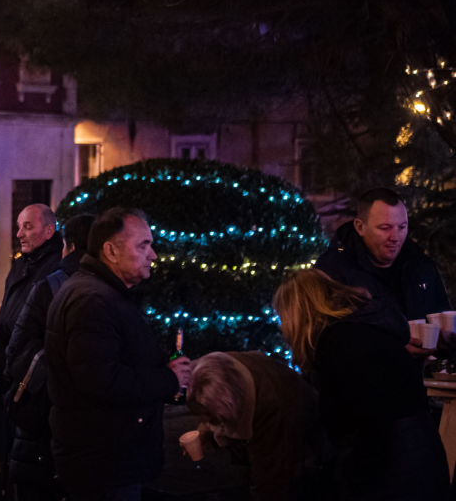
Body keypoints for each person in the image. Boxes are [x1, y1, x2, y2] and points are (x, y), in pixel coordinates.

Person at [45, 208, 192, 501]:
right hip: (104, 463)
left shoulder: (101, 294)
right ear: (111, 251)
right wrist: (168, 378)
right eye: (143, 246)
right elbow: (101, 380)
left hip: (106, 458)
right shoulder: (93, 300)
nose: (153, 256)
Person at [272, 269, 450, 500]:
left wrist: (355, 476)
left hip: (391, 471)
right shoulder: (366, 328)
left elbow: (372, 417)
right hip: (419, 455)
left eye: (283, 317)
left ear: (300, 312)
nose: (283, 326)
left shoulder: (342, 343)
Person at [3, 213, 95, 501]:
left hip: (47, 409)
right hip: (46, 406)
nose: (19, 234)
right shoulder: (25, 266)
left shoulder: (55, 278)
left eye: (27, 226)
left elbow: (18, 345)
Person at [186, 351, 328, 501]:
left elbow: (270, 480)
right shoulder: (216, 369)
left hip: (305, 439)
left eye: (208, 414)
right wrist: (209, 429)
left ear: (228, 403)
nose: (204, 420)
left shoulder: (269, 409)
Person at [316, 187, 450, 323]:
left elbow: (443, 315)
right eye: (385, 228)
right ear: (360, 227)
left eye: (402, 227)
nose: (395, 237)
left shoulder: (421, 266)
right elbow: (322, 330)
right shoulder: (332, 272)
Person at [0, 204, 63, 396]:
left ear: (49, 231)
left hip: (31, 377)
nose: (19, 234)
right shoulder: (21, 263)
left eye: (28, 227)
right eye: (19, 226)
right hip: (9, 368)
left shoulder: (57, 268)